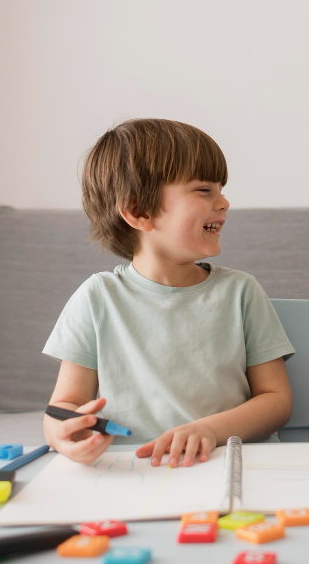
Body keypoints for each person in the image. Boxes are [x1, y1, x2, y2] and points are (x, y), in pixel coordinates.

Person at [42, 119, 295, 468]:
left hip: (227, 462)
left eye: (220, 189)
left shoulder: (241, 292)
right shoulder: (96, 298)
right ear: (139, 212)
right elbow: (63, 406)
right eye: (204, 190)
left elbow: (276, 400)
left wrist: (208, 430)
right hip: (134, 469)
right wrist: (66, 434)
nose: (224, 202)